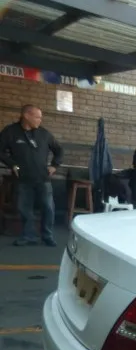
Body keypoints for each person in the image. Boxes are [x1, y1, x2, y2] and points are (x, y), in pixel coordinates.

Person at [0, 104, 63, 247]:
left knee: (48, 207)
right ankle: (29, 236)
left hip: (43, 178)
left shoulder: (44, 134)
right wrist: (11, 164)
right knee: (24, 209)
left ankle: (47, 235)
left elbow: (59, 150)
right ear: (26, 116)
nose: (40, 120)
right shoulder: (10, 132)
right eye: (37, 117)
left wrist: (54, 165)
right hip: (23, 179)